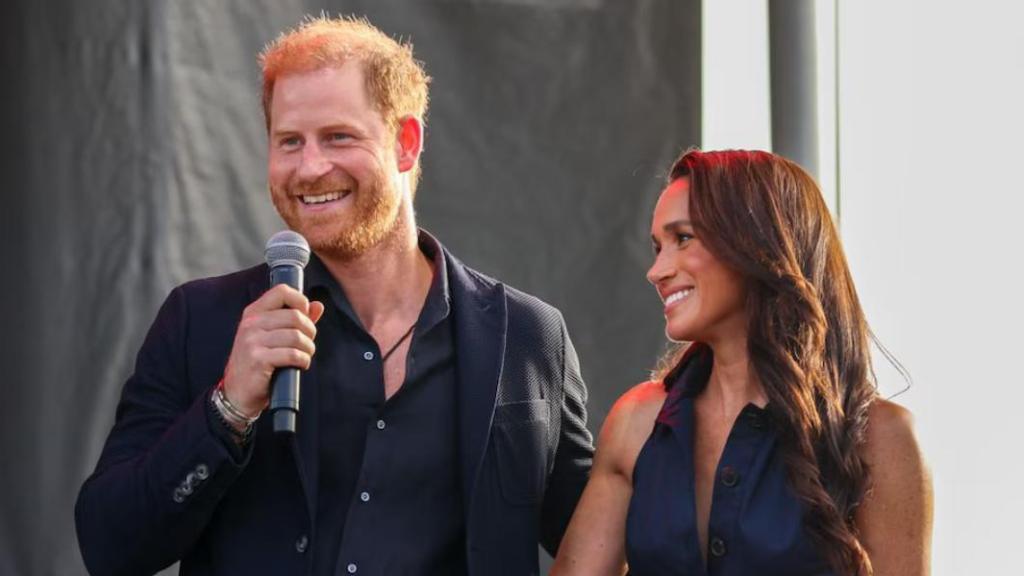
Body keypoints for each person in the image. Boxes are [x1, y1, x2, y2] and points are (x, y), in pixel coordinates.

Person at [75, 16, 593, 576]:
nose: (310, 168)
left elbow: (602, 541)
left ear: (406, 143)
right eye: (289, 142)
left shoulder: (526, 337)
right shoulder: (200, 322)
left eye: (338, 137)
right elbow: (110, 546)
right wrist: (228, 409)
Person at [551, 149, 932, 575]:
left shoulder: (880, 438)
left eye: (683, 239)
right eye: (658, 247)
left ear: (759, 242)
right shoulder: (636, 423)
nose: (656, 271)